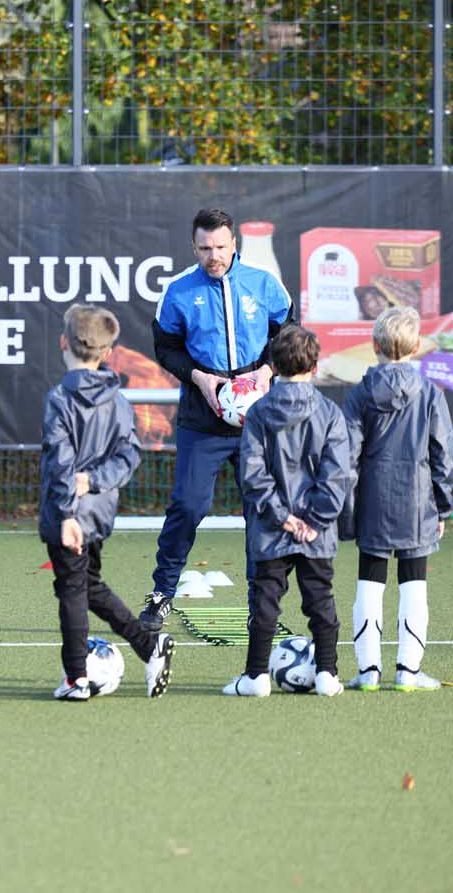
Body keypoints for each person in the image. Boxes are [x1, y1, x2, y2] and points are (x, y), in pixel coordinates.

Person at [142, 207, 295, 632]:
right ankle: (161, 595)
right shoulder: (177, 291)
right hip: (202, 414)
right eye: (206, 248)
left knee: (260, 510)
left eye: (222, 247)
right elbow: (166, 348)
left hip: (258, 419)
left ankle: (260, 603)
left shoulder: (264, 284)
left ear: (234, 243)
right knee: (188, 507)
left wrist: (266, 372)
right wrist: (200, 379)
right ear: (194, 247)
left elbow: (288, 332)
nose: (215, 256)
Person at [40, 305, 175, 700]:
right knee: (88, 586)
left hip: (68, 514)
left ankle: (75, 678)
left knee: (72, 591)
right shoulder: (118, 400)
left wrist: (68, 509)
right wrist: (96, 482)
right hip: (98, 513)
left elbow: (60, 460)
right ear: (108, 352)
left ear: (64, 342)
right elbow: (128, 456)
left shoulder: (59, 399)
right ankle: (149, 648)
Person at [228, 325, 352, 697]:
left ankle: (255, 678)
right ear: (315, 367)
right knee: (321, 600)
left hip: (270, 528)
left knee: (265, 600)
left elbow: (251, 471)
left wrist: (282, 516)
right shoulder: (330, 413)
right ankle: (328, 674)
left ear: (275, 368)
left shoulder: (260, 412)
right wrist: (314, 520)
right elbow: (337, 475)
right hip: (316, 531)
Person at [342, 307, 453, 692]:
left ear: (374, 345)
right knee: (415, 585)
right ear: (416, 347)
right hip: (418, 500)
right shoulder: (429, 393)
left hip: (373, 500)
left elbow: (347, 455)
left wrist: (348, 507)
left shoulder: (360, 394)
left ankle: (368, 671)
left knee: (368, 584)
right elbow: (443, 453)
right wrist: (443, 504)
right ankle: (408, 671)